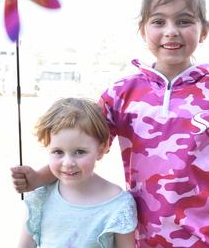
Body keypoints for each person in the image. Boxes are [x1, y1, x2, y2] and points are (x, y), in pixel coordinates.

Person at [12, 0, 209, 247]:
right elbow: (82, 142)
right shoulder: (121, 94)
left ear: (204, 30)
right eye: (158, 21)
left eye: (184, 21)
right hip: (140, 237)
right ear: (143, 30)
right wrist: (37, 178)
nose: (170, 31)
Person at [17, 97, 137, 248]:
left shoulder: (119, 205)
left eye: (80, 152)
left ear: (101, 149)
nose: (68, 163)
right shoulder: (41, 198)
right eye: (58, 151)